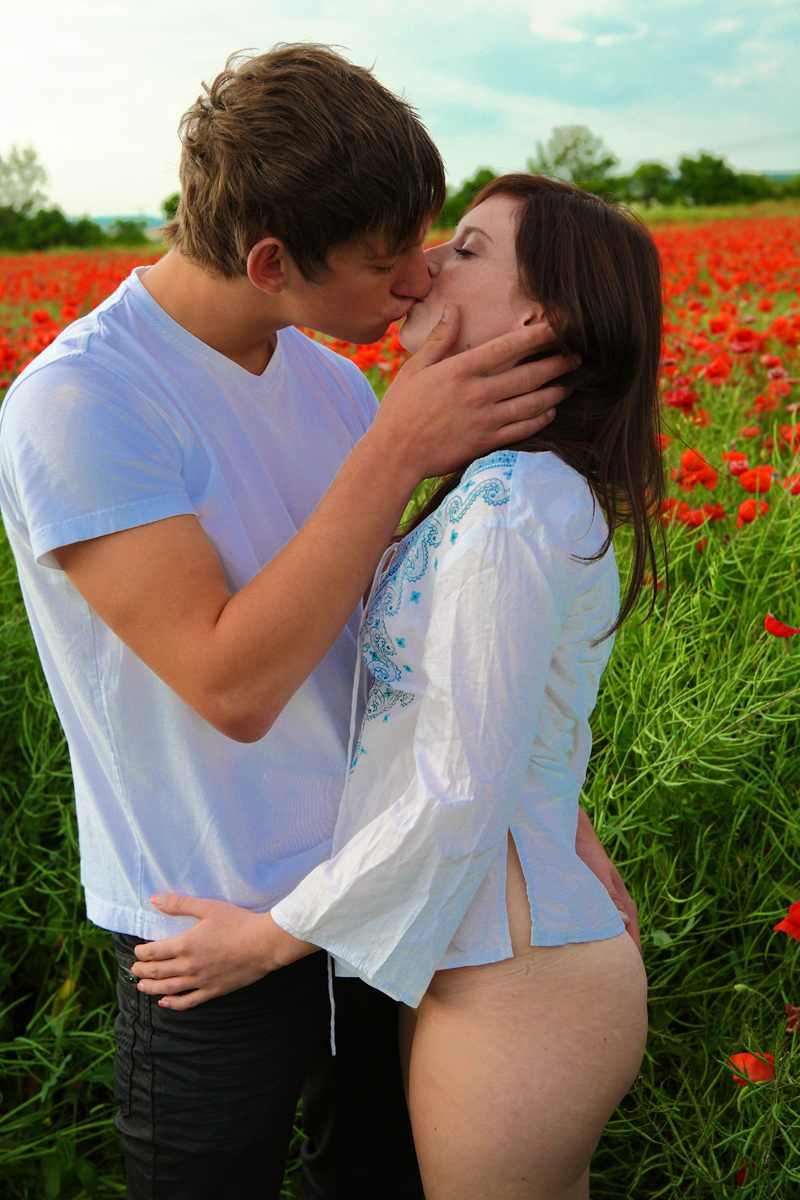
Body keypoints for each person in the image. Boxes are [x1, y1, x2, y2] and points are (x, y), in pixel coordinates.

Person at [0, 41, 636, 1200]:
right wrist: (398, 448)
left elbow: (419, 656)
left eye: (433, 245)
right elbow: (231, 684)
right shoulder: (81, 403)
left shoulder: (334, 381)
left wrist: (549, 812)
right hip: (211, 922)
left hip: (389, 899)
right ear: (271, 261)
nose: (417, 280)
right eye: (389, 260)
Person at [132, 174, 665, 1199]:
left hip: (518, 971)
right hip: (483, 955)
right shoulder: (494, 489)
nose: (425, 266)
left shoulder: (514, 506)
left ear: (541, 319)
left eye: (466, 248)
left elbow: (457, 788)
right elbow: (490, 730)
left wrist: (265, 942)